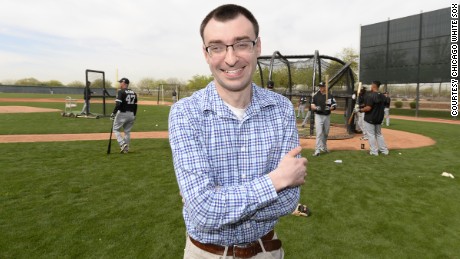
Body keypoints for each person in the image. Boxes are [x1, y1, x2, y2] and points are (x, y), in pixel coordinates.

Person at [168, 4, 307, 259]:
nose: (230, 58)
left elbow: (288, 201)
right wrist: (276, 180)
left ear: (258, 47)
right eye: (217, 47)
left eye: (241, 44)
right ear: (206, 53)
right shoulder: (185, 112)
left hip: (266, 250)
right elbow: (203, 212)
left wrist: (215, 201)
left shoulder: (282, 109)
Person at [356, 80, 389, 156]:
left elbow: (368, 108)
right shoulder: (383, 96)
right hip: (379, 118)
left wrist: (359, 110)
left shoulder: (370, 95)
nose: (371, 86)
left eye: (371, 85)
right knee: (379, 134)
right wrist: (361, 106)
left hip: (370, 118)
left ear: (374, 86)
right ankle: (384, 151)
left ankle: (374, 152)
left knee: (371, 135)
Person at [111, 78, 137, 154]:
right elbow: (135, 106)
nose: (120, 84)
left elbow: (118, 104)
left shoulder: (121, 92)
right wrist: (134, 115)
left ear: (124, 83)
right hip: (131, 114)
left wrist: (114, 113)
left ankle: (122, 143)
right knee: (127, 132)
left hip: (122, 113)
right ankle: (126, 149)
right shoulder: (133, 92)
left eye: (121, 82)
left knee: (115, 129)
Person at [311, 82, 337, 156]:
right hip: (318, 115)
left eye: (322, 86)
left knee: (325, 133)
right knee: (319, 133)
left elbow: (334, 105)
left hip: (327, 116)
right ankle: (317, 150)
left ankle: (324, 147)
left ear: (325, 87)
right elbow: (312, 105)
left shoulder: (330, 96)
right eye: (320, 86)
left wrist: (330, 108)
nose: (321, 88)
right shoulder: (315, 95)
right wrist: (316, 108)